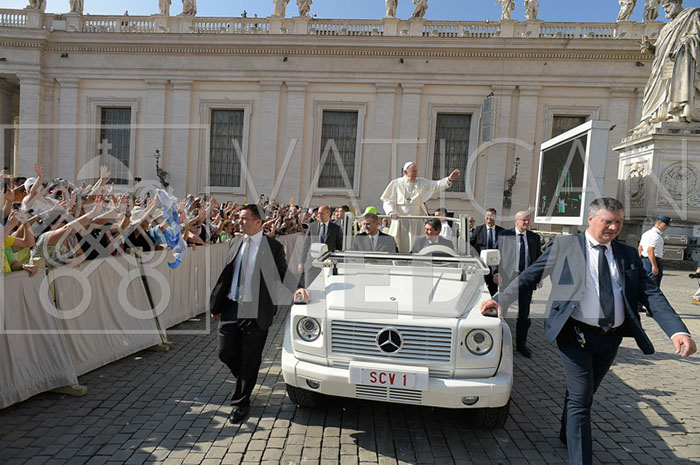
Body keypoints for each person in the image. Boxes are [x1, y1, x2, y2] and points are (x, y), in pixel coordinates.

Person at [481, 197, 696, 465]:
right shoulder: (566, 246)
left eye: (619, 222)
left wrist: (678, 331)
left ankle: (567, 432)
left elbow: (651, 293)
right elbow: (532, 274)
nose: (614, 227)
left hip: (610, 338)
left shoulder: (627, 254)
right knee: (582, 399)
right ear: (591, 219)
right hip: (574, 334)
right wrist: (501, 300)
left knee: (584, 392)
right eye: (608, 221)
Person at [210, 204, 309, 423]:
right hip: (232, 305)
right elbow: (227, 275)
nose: (239, 221)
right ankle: (247, 378)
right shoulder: (234, 242)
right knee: (225, 352)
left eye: (244, 218)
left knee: (250, 357)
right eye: (239, 218)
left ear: (258, 222)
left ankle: (241, 402)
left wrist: (298, 289)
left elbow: (283, 273)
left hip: (256, 309)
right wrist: (216, 306)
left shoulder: (272, 247)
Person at [639, 0, 700, 126]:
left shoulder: (691, 15)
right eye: (664, 8)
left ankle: (676, 113)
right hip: (661, 66)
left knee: (674, 86)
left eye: (667, 6)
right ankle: (653, 116)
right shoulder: (667, 27)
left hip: (679, 61)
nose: (665, 10)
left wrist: (685, 43)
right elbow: (660, 47)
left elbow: (697, 36)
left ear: (677, 2)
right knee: (651, 90)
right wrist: (650, 47)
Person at [380, 162, 460, 253]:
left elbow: (436, 185)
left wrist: (449, 179)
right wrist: (390, 211)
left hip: (417, 221)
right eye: (413, 171)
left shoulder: (422, 182)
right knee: (399, 245)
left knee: (417, 246)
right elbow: (387, 200)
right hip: (400, 221)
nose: (415, 174)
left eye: (416, 171)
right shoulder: (396, 183)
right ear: (405, 172)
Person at [493, 211, 542, 357]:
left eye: (528, 220)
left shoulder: (534, 237)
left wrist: (539, 276)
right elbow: (495, 255)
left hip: (526, 280)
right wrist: (496, 273)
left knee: (524, 314)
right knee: (502, 311)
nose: (527, 222)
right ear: (516, 221)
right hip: (508, 279)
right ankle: (500, 342)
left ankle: (521, 345)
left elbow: (538, 258)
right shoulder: (504, 235)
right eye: (524, 220)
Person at [300, 205, 343, 284]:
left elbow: (339, 247)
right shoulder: (312, 226)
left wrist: (337, 264)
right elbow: (306, 245)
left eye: (321, 213)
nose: (319, 215)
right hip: (312, 265)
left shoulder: (336, 229)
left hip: (328, 266)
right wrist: (301, 262)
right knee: (309, 288)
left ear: (328, 213)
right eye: (318, 213)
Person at [470, 208, 504, 296]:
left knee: (493, 289)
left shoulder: (501, 231)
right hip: (481, 264)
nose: (489, 218)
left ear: (495, 217)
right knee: (481, 289)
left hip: (495, 265)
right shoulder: (479, 229)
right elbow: (470, 244)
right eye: (487, 216)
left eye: (491, 215)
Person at [638, 215, 670, 287]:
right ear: (659, 223)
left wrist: (640, 261)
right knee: (653, 284)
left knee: (645, 283)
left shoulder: (646, 233)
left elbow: (640, 248)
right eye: (665, 225)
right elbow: (650, 250)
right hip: (653, 261)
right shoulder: (656, 236)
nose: (666, 227)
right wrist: (654, 266)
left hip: (645, 260)